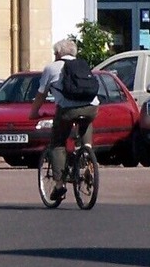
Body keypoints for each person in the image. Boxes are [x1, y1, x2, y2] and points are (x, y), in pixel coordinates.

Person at [29, 38, 99, 201]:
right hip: (92, 107)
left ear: (59, 53)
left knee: (57, 143)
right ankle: (87, 154)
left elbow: (41, 95)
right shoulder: (83, 65)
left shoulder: (51, 68)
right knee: (86, 121)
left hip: (67, 110)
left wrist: (33, 113)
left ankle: (59, 185)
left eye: (55, 53)